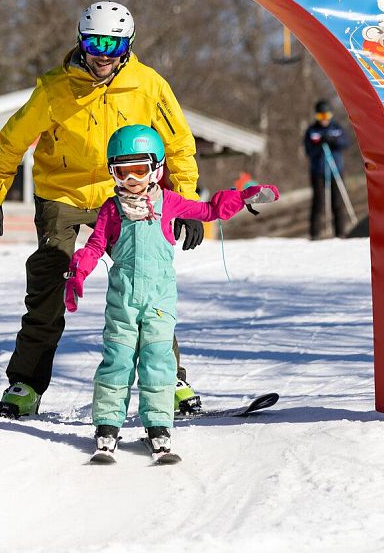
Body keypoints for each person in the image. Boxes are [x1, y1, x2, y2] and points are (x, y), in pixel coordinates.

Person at [0, 0, 206, 418]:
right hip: (62, 196)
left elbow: (179, 145)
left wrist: (186, 203)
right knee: (50, 282)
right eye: (95, 43)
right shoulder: (53, 88)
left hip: (126, 192)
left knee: (146, 284)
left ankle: (169, 378)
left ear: (128, 46)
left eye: (114, 46)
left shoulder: (148, 85)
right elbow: (12, 142)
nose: (103, 54)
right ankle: (25, 385)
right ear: (80, 42)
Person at [64, 125, 279, 460]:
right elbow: (94, 246)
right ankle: (107, 426)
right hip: (122, 302)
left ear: (158, 168)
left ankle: (158, 427)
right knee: (117, 361)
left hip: (160, 302)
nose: (131, 179)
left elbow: (208, 211)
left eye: (139, 170)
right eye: (122, 172)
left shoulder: (169, 202)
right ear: (112, 172)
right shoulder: (111, 209)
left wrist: (243, 196)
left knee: (158, 362)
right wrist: (78, 272)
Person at [303, 99, 351, 240]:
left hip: (336, 169)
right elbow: (308, 150)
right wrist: (319, 145)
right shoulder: (312, 131)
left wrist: (333, 141)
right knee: (318, 202)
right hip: (318, 171)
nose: (323, 120)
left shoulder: (336, 128)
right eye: (320, 117)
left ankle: (340, 233)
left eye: (326, 116)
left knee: (337, 201)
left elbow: (346, 142)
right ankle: (315, 233)